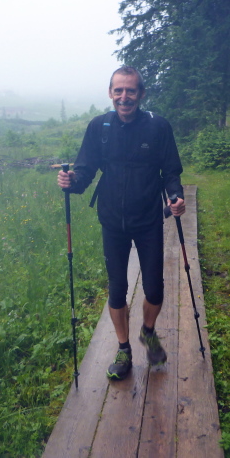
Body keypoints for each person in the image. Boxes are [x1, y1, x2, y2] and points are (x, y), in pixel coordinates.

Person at [57, 66, 185, 380]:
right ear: (110, 93)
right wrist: (72, 181)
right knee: (117, 288)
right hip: (112, 220)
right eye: (118, 90)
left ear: (141, 93)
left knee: (154, 288)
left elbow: (171, 171)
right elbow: (85, 170)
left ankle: (148, 332)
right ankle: (124, 348)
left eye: (130, 90)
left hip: (149, 219)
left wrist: (176, 196)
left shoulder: (157, 127)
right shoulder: (99, 127)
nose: (124, 97)